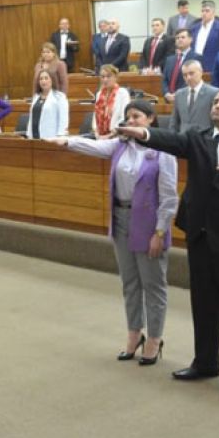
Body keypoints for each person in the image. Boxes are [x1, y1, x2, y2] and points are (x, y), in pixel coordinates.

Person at [115, 88, 219, 398]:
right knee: (204, 306)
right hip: (202, 238)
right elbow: (171, 141)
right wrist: (143, 132)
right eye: (215, 102)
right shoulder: (198, 137)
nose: (217, 106)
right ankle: (205, 362)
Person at [55, 100, 178, 365]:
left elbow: (169, 197)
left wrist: (160, 231)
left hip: (149, 224)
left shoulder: (163, 150)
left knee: (153, 284)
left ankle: (155, 339)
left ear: (150, 119)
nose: (131, 121)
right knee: (130, 282)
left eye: (137, 116)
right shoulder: (121, 145)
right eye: (128, 117)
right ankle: (135, 334)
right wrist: (68, 142)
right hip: (122, 218)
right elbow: (96, 147)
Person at [169, 61, 216, 133]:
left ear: (201, 72)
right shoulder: (179, 94)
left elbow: (216, 122)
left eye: (191, 73)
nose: (188, 78)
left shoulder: (213, 93)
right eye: (185, 75)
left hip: (204, 140)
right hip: (182, 140)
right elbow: (174, 122)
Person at [27, 70, 69, 139]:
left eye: (46, 78)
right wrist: (28, 135)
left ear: (52, 80)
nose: (43, 81)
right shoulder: (36, 97)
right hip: (34, 137)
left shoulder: (59, 97)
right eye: (41, 79)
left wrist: (61, 136)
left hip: (51, 138)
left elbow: (63, 120)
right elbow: (31, 118)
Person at [192, 0, 219, 72]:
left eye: (207, 11)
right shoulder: (194, 28)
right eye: (202, 11)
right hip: (195, 63)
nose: (204, 13)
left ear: (214, 12)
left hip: (213, 64)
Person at [91, 65, 129, 136]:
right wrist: (97, 134)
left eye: (108, 76)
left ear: (115, 77)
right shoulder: (99, 94)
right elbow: (95, 118)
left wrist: (109, 135)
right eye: (102, 77)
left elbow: (124, 118)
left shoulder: (122, 93)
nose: (105, 79)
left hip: (116, 135)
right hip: (100, 135)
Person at [161, 28, 198, 98]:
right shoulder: (170, 59)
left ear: (190, 39)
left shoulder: (196, 58)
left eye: (183, 37)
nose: (179, 40)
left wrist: (177, 94)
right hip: (168, 98)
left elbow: (193, 80)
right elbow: (164, 80)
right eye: (177, 38)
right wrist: (166, 93)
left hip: (186, 98)